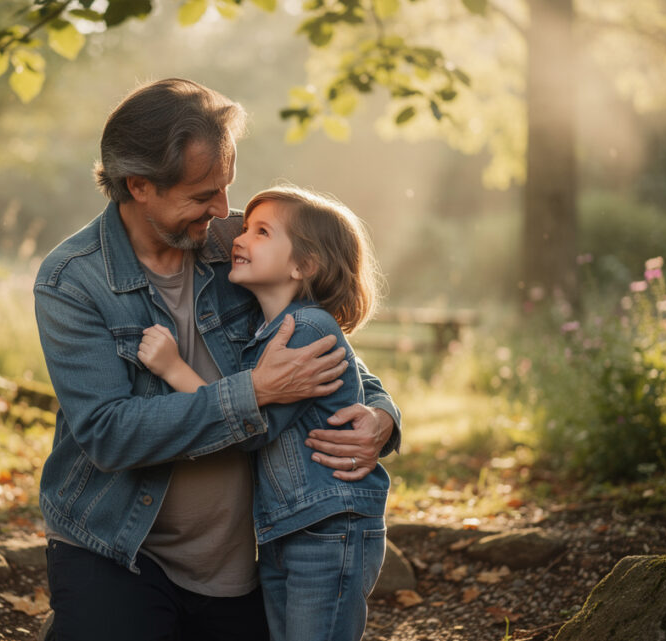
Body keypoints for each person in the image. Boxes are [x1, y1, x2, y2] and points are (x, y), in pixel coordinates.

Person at [33, 78, 400, 641]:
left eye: (225, 186)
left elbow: (325, 347)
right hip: (117, 546)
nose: (224, 209)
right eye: (203, 194)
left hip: (236, 564)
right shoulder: (72, 281)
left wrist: (379, 415)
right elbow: (107, 433)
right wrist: (254, 392)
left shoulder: (236, 245)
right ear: (140, 187)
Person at [138, 185, 390, 641]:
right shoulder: (268, 329)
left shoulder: (308, 328)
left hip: (327, 527)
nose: (239, 238)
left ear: (303, 265)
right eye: (246, 228)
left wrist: (174, 368)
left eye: (261, 232)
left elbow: (250, 427)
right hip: (288, 527)